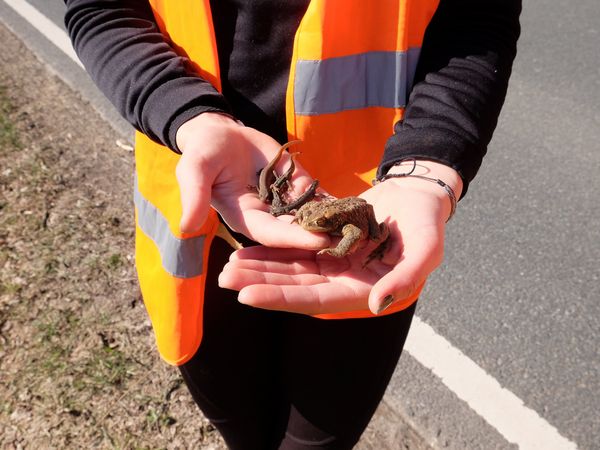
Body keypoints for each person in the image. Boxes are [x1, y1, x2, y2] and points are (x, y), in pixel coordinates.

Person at [64, 0, 521, 448]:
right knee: (241, 425)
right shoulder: (298, 206)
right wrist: (186, 114)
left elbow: (478, 16)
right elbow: (99, 9)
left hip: (366, 240)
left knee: (318, 437)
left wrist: (424, 171)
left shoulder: (343, 228)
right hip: (202, 222)